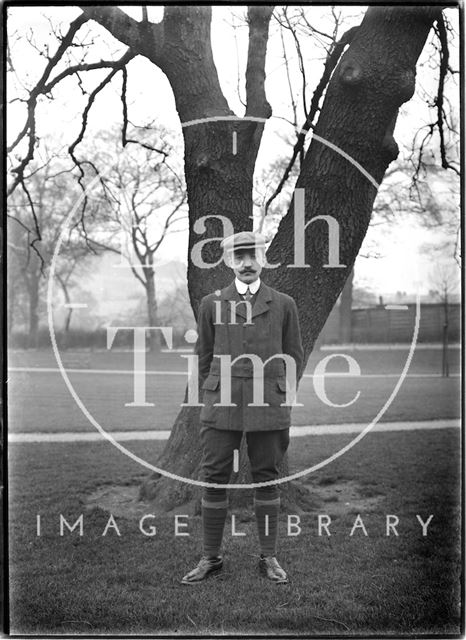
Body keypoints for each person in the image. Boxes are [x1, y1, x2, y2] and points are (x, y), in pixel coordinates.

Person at [181, 231, 304, 585]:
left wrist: (281, 394)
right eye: (239, 256)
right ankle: (211, 557)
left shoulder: (284, 304)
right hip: (222, 405)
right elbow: (203, 357)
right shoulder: (211, 303)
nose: (247, 263)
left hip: (269, 404)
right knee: (214, 478)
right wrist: (212, 393)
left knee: (267, 477)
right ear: (227, 261)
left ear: (263, 257)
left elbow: (293, 356)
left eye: (253, 255)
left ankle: (269, 557)